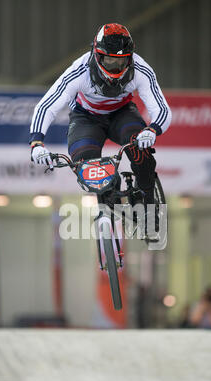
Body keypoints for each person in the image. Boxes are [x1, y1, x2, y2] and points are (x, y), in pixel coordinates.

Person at [29, 23, 172, 239]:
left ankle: (148, 204)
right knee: (85, 163)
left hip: (122, 114)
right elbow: (46, 106)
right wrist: (37, 144)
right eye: (110, 60)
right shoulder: (79, 70)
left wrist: (152, 130)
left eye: (121, 60)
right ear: (97, 55)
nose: (115, 66)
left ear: (130, 57)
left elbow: (161, 109)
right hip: (86, 118)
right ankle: (110, 191)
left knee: (138, 146)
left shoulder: (141, 69)